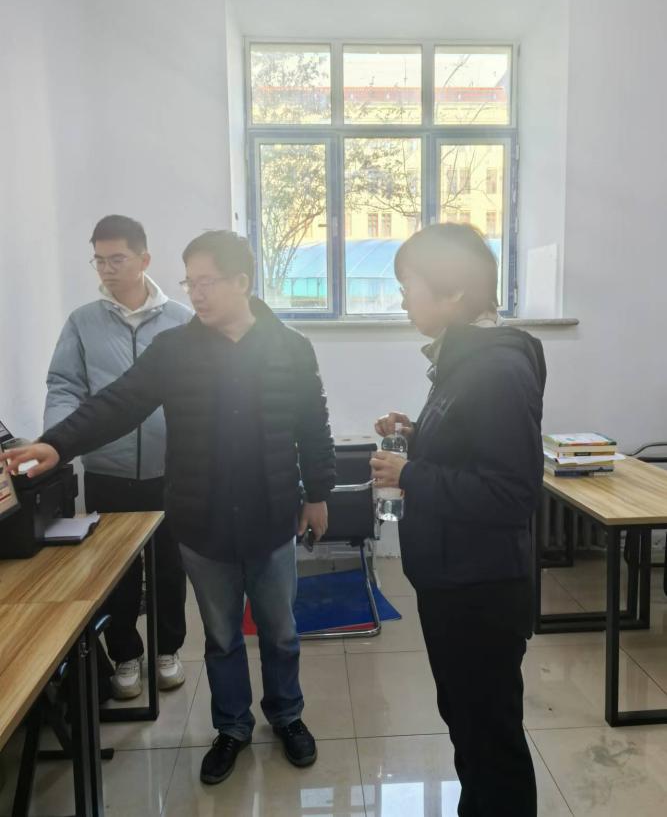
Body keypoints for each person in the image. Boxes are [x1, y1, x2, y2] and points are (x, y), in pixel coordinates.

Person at [2, 230, 336, 786]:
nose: (196, 294)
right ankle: (231, 727)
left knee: (280, 632)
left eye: (207, 282)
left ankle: (287, 716)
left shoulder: (289, 348)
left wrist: (319, 494)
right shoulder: (175, 351)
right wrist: (57, 444)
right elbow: (118, 403)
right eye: (190, 282)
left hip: (272, 516)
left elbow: (313, 425)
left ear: (241, 282)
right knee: (221, 637)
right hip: (202, 521)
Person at [372, 223, 545, 817]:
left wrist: (410, 473)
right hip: (456, 580)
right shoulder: (465, 360)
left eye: (409, 285)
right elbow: (474, 448)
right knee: (472, 729)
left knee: (490, 740)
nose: (403, 299)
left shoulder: (496, 370)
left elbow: (511, 493)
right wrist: (418, 435)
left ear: (453, 293)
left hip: (479, 591)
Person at [45, 214, 191, 699]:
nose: (107, 269)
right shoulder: (82, 322)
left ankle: (168, 649)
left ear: (143, 259)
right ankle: (126, 654)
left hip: (170, 469)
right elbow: (64, 386)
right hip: (107, 469)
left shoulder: (181, 320)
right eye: (99, 260)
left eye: (117, 259)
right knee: (117, 570)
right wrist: (57, 442)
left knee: (169, 565)